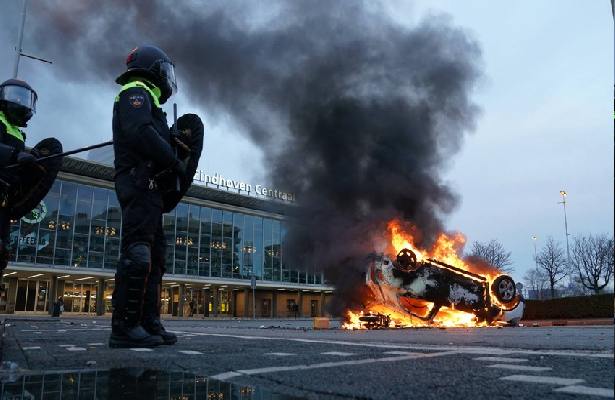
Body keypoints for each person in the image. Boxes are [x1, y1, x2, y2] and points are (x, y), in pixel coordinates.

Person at [109, 45, 203, 348]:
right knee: (137, 255)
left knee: (155, 258)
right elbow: (141, 133)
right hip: (138, 183)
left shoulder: (147, 99)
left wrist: (175, 141)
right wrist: (174, 161)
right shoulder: (134, 92)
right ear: (153, 68)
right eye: (165, 71)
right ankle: (124, 327)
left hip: (150, 189)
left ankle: (148, 321)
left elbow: (153, 134)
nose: (168, 78)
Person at [0, 79, 63, 280]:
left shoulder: (17, 132)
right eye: (16, 96)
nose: (22, 103)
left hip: (4, 199)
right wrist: (14, 155)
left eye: (25, 99)